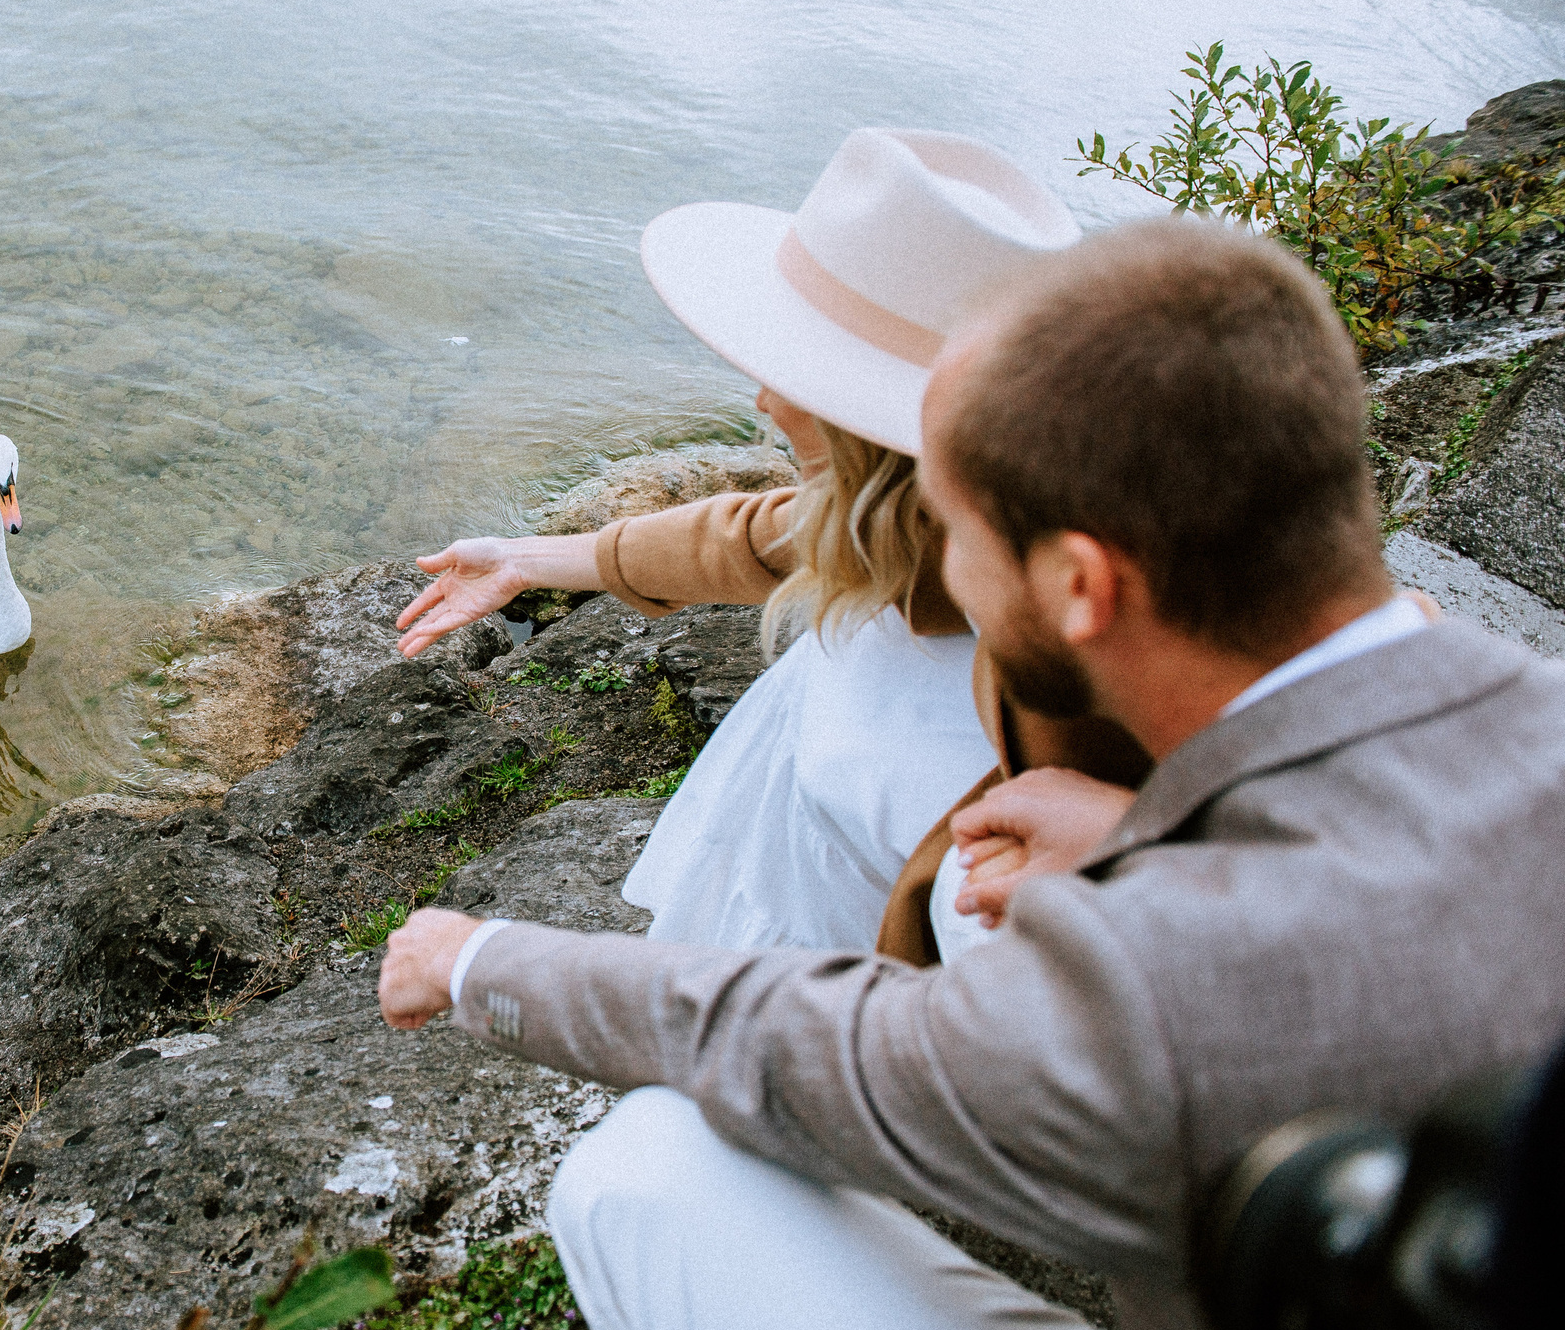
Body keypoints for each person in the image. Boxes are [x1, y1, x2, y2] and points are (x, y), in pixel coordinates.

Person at [376, 216, 1565, 1330]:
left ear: (1080, 586)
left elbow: (795, 1045)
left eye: (954, 526)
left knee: (639, 1172)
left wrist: (474, 957)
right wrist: (1145, 830)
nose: (932, 560)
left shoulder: (1155, 984)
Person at [395, 127, 1145, 962]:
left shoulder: (1050, 726)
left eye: (792, 371)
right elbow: (760, 536)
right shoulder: (934, 520)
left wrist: (487, 970)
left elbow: (961, 1007)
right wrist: (530, 559)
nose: (763, 401)